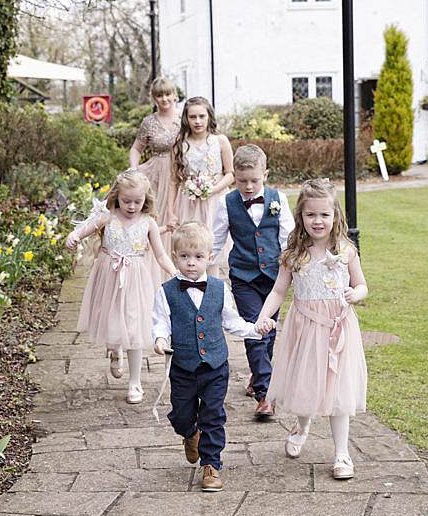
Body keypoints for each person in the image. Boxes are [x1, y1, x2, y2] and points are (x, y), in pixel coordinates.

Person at [255, 179, 368, 480]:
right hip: (305, 328)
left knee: (338, 392)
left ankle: (342, 453)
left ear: (335, 216)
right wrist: (264, 316)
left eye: (324, 215)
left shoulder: (346, 251)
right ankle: (302, 425)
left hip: (338, 329)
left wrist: (355, 294)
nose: (318, 221)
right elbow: (279, 291)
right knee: (306, 383)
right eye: (311, 215)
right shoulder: (294, 253)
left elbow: (361, 285)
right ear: (301, 217)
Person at [152, 222, 268, 492]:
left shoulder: (219, 288)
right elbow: (160, 322)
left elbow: (232, 321)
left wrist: (255, 330)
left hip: (215, 366)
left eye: (198, 257)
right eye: (184, 257)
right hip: (182, 366)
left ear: (209, 257)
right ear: (174, 256)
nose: (191, 263)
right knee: (181, 414)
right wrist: (159, 339)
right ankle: (189, 433)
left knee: (213, 415)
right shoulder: (165, 292)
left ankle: (211, 465)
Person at [66, 169, 176, 404]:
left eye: (138, 201)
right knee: (111, 319)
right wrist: (73, 237)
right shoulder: (107, 216)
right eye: (127, 201)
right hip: (108, 277)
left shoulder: (148, 223)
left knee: (135, 329)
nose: (132, 206)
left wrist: (175, 273)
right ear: (117, 196)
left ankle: (135, 382)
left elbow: (161, 255)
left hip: (136, 280)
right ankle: (115, 350)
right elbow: (83, 229)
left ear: (145, 200)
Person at [211, 144, 294, 420]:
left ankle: (258, 375)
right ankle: (264, 394)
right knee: (255, 328)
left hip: (274, 278)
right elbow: (217, 239)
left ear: (265, 175)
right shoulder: (226, 203)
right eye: (241, 181)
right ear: (234, 177)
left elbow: (288, 239)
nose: (247, 186)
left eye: (254, 181)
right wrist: (200, 266)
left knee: (268, 331)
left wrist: (291, 268)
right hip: (243, 276)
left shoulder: (278, 199)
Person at [169, 97, 234, 275]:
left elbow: (230, 174)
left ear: (209, 117)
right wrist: (171, 211)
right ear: (186, 119)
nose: (197, 121)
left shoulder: (220, 141)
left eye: (201, 116)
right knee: (189, 245)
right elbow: (174, 180)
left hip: (215, 200)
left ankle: (213, 290)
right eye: (192, 117)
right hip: (188, 203)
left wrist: (212, 189)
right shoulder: (180, 144)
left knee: (212, 246)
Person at [130, 77, 180, 271]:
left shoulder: (183, 119)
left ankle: (182, 266)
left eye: (167, 94)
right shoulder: (149, 122)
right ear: (154, 98)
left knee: (177, 218)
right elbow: (136, 149)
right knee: (156, 219)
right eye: (159, 95)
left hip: (180, 173)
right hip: (155, 175)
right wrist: (134, 168)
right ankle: (156, 270)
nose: (164, 99)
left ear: (174, 96)